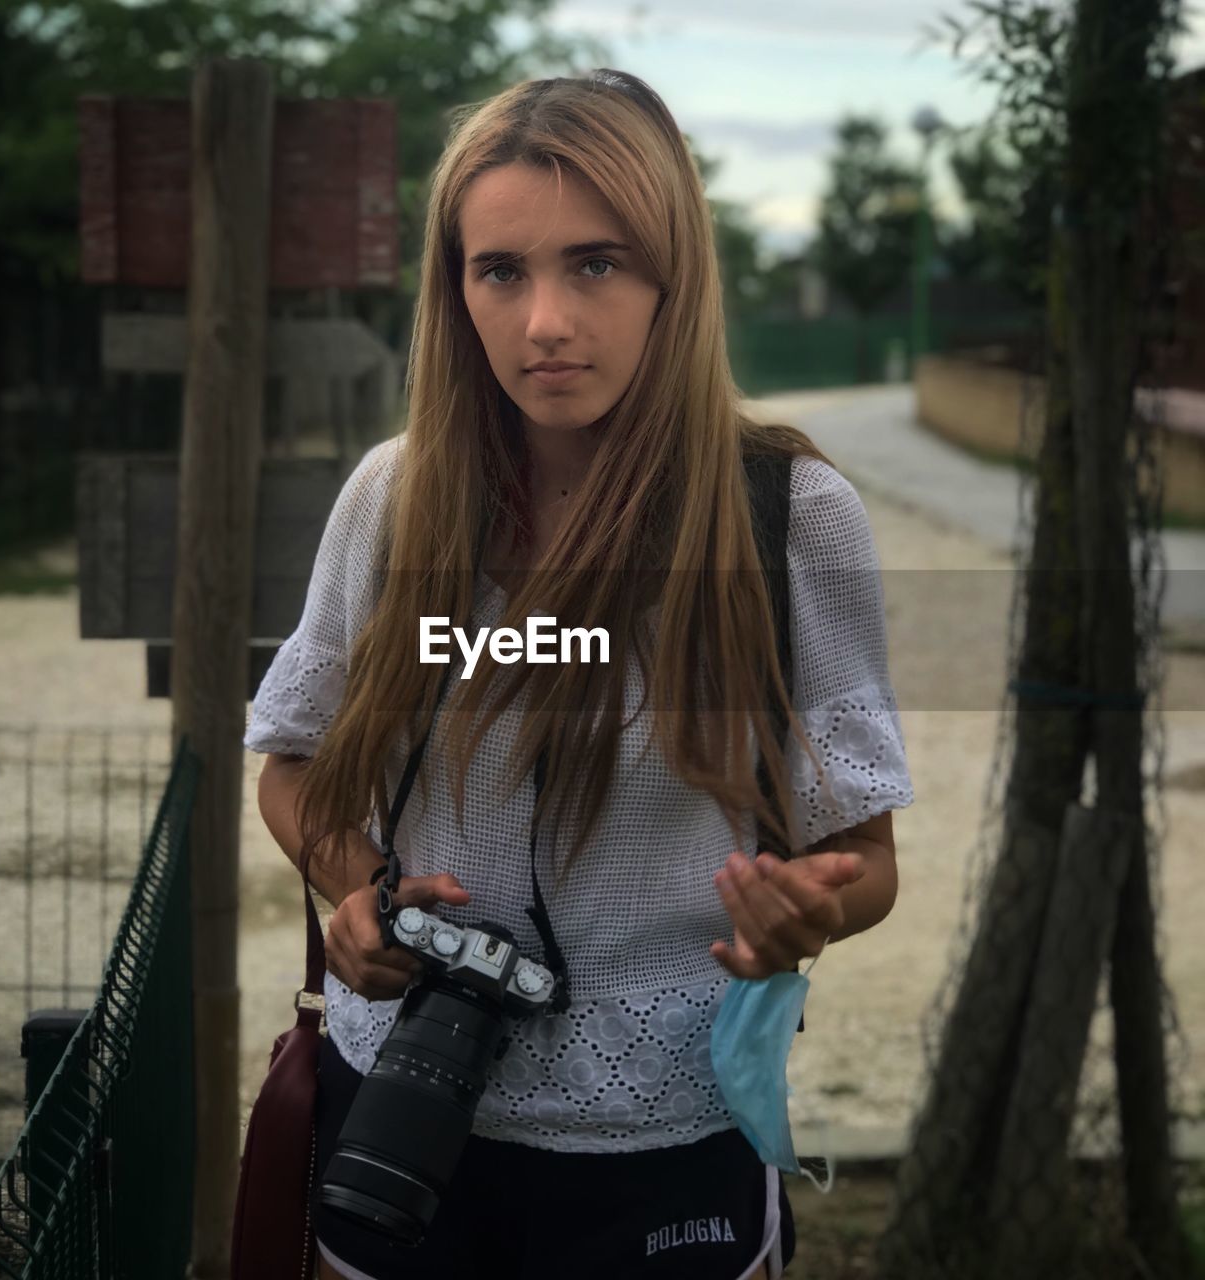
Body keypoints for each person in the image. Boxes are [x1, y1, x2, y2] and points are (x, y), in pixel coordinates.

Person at [246, 68, 913, 1280]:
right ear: (455, 290)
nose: (544, 320)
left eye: (594, 263)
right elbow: (291, 763)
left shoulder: (789, 519)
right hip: (400, 1106)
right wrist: (357, 898)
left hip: (669, 1132)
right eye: (499, 270)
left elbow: (864, 860)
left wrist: (807, 910)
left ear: (673, 276)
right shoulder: (391, 503)